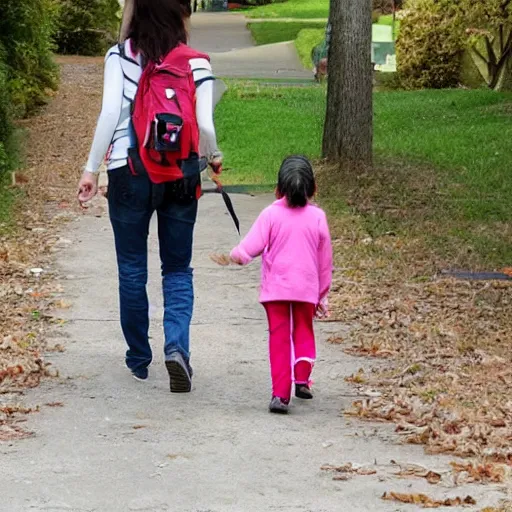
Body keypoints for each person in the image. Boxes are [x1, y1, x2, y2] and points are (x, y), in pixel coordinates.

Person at [77, 0, 221, 392]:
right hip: (180, 170)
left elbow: (109, 114)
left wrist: (92, 169)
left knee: (131, 268)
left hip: (128, 170)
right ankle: (177, 349)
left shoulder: (119, 56)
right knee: (177, 269)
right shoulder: (196, 62)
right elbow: (205, 124)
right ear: (180, 15)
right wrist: (212, 158)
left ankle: (138, 358)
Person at [213, 156, 333, 414]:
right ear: (313, 189)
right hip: (306, 289)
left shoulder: (270, 215)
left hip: (276, 290)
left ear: (278, 189)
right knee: (303, 328)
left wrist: (235, 256)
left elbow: (250, 247)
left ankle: (280, 395)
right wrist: (321, 295)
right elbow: (325, 263)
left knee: (279, 338)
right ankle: (302, 376)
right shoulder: (318, 218)